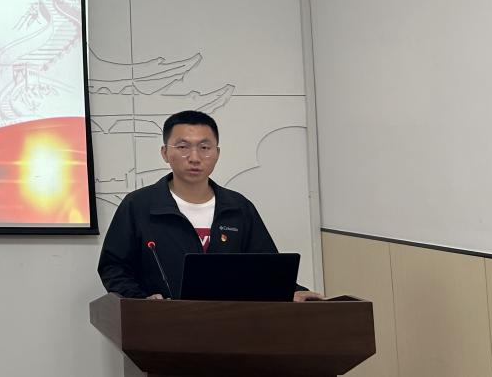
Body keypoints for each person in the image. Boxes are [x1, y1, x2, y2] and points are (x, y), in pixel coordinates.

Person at [97, 110, 323, 302]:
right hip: (161, 325)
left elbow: (267, 268)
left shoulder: (238, 207)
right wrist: (140, 301)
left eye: (205, 147)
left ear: (217, 153)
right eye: (183, 147)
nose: (194, 157)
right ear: (165, 153)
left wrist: (291, 291)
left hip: (230, 325)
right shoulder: (138, 205)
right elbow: (114, 267)